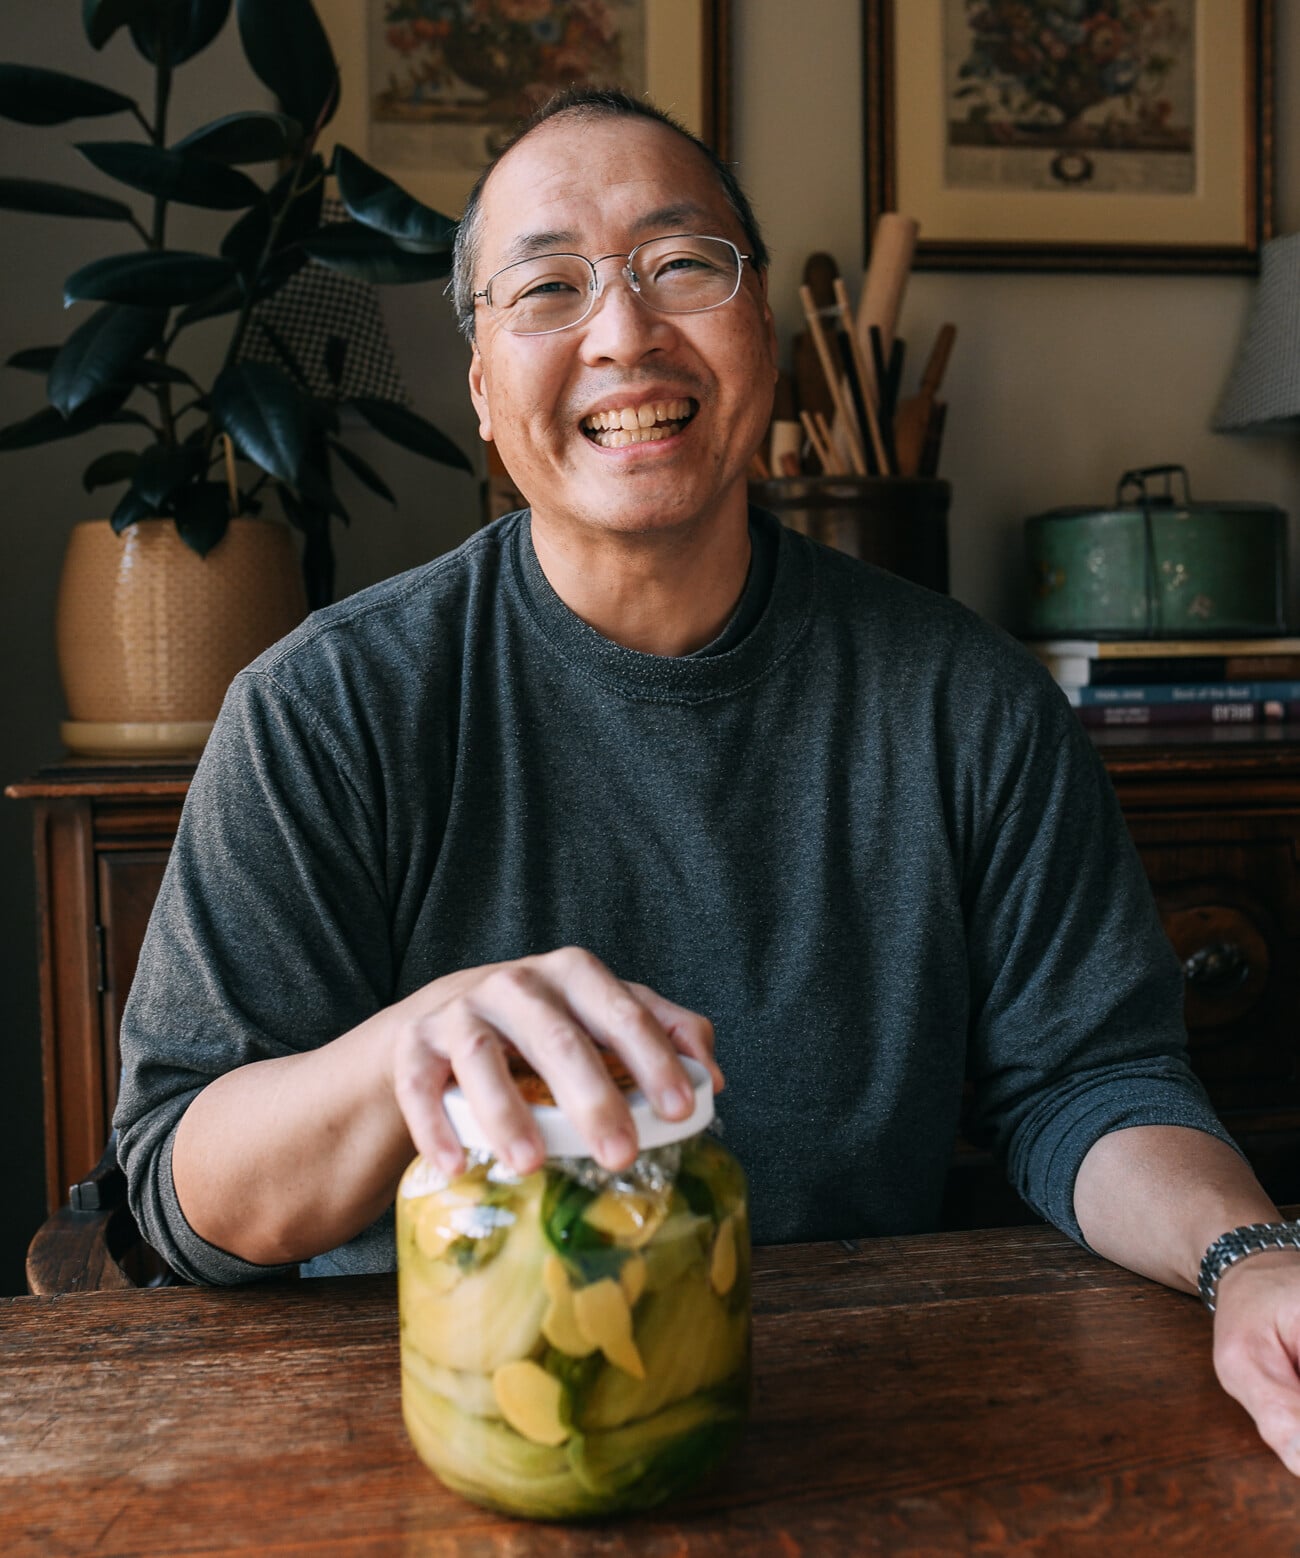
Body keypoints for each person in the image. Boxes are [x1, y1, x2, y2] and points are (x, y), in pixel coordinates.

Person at [116, 87, 1300, 1474]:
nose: (625, 333)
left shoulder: (969, 703)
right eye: (548, 287)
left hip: (867, 1426)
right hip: (449, 1436)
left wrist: (1251, 1258)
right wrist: (412, 1042)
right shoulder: (327, 709)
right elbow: (182, 1188)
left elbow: (1094, 1083)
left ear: (765, 339)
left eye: (682, 265)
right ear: (484, 387)